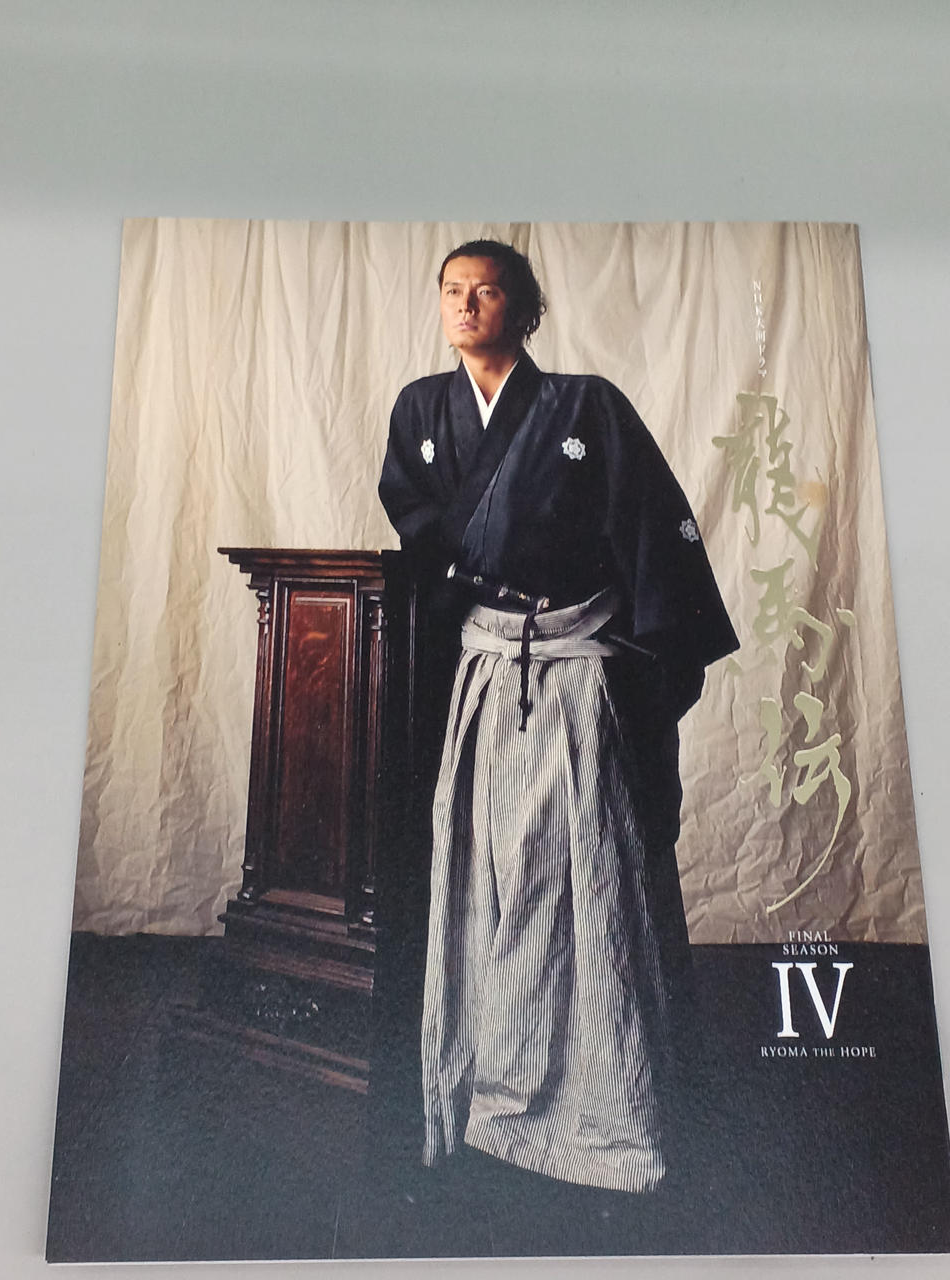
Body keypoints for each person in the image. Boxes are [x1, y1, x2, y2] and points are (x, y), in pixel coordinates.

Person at [378, 239, 737, 1197]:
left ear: (526, 311)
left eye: (487, 291)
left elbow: (653, 528)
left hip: (576, 674)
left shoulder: (587, 408)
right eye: (452, 291)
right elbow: (416, 522)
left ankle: (602, 1109)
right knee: (487, 872)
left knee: (585, 870)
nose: (466, 306)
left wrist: (649, 662)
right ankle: (485, 1092)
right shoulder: (422, 410)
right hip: (488, 672)